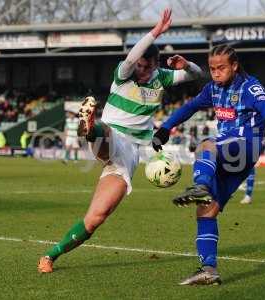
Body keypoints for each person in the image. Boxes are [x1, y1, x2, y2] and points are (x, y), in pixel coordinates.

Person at [37, 8, 203, 273]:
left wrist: (187, 65)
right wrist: (155, 32)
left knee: (96, 218)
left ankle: (50, 256)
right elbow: (131, 58)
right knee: (105, 134)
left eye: (148, 66)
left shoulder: (162, 77)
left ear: (156, 64)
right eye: (140, 65)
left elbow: (197, 75)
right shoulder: (123, 74)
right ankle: (90, 129)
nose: (143, 70)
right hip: (113, 133)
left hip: (131, 153)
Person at [152, 44, 265, 285]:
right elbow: (190, 107)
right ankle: (208, 270)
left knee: (205, 146)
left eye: (221, 68)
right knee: (206, 210)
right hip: (232, 155)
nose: (215, 73)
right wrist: (165, 128)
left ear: (234, 66)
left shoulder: (248, 85)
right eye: (212, 68)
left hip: (248, 141)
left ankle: (200, 185)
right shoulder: (212, 88)